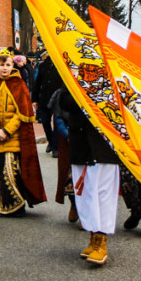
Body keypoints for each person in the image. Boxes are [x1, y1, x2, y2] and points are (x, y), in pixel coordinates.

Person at [51, 85, 121, 266]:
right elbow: (64, 102)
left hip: (103, 144)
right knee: (85, 193)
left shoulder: (109, 74)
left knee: (103, 193)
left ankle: (101, 240)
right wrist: (83, 94)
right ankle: (92, 236)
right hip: (80, 142)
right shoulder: (71, 72)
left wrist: (91, 96)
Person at [0, 48, 47, 217]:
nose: (5, 68)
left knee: (11, 171)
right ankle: (6, 206)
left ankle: (17, 205)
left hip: (13, 137)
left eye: (8, 64)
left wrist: (7, 131)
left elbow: (23, 113)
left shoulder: (19, 84)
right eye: (1, 65)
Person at [32, 49, 63, 156]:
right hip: (44, 98)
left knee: (57, 124)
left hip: (58, 99)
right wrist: (34, 99)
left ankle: (55, 147)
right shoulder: (42, 66)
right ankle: (50, 141)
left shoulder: (62, 64)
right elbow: (37, 83)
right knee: (45, 121)